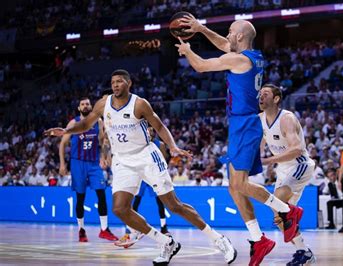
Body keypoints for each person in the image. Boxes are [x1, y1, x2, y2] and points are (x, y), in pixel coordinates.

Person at [45, 69, 236, 265]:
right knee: (120, 209)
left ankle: (219, 240)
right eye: (113, 82)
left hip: (146, 156)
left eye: (119, 81)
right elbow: (86, 124)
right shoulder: (103, 104)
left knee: (174, 205)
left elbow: (160, 126)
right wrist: (67, 130)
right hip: (122, 160)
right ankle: (165, 242)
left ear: (129, 83)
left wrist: (172, 146)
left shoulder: (139, 104)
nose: (116, 85)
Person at [175, 16, 303, 265]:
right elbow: (226, 45)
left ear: (241, 37)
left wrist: (188, 50)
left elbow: (201, 66)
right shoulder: (252, 56)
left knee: (241, 184)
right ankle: (258, 240)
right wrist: (202, 29)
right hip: (242, 124)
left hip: (244, 124)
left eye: (231, 32)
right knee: (233, 187)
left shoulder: (239, 59)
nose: (229, 35)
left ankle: (288, 211)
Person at [258, 84, 316, 265]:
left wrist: (267, 161)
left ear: (276, 99)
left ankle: (294, 212)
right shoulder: (259, 119)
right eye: (260, 94)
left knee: (279, 199)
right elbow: (259, 144)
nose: (261, 97)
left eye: (265, 94)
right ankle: (304, 252)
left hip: (300, 165)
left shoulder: (287, 118)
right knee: (279, 218)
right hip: (283, 169)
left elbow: (297, 149)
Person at [58, 96, 118, 242]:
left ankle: (104, 229)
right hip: (77, 163)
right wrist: (62, 164)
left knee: (101, 194)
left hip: (93, 164)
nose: (85, 106)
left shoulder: (98, 121)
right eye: (82, 104)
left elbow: (103, 139)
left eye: (88, 104)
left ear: (91, 107)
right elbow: (62, 143)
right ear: (79, 108)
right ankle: (81, 230)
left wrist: (105, 155)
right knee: (80, 197)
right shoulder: (74, 123)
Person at [115, 129, 170, 248]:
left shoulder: (160, 144)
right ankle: (130, 230)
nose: (149, 132)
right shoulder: (137, 143)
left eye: (151, 130)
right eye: (147, 130)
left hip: (152, 175)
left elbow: (163, 159)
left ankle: (164, 228)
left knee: (160, 202)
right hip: (140, 175)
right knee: (133, 204)